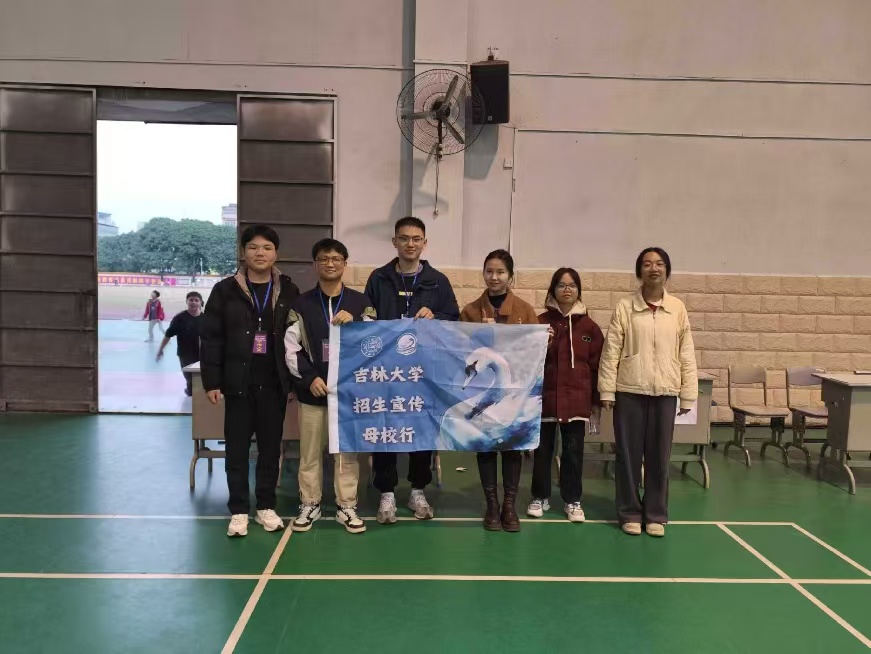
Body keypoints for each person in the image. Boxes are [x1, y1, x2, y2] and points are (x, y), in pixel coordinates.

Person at [200, 225, 300, 538]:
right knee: (237, 450)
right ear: (243, 252)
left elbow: (299, 339)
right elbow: (211, 338)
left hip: (274, 383)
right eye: (253, 247)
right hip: (238, 383)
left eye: (267, 247)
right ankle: (239, 510)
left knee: (270, 450)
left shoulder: (289, 290)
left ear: (276, 254)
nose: (260, 253)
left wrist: (294, 382)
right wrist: (212, 381)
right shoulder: (225, 290)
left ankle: (266, 506)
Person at [364, 216, 459, 524]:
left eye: (416, 239)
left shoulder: (438, 281)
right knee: (386, 429)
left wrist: (436, 315)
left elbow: (454, 320)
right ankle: (386, 492)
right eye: (404, 238)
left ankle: (418, 489)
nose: (410, 244)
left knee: (422, 430)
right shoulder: (379, 278)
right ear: (394, 242)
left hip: (423, 372)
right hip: (387, 372)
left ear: (424, 243)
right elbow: (366, 320)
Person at [598, 247, 697, 538]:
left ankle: (655, 514)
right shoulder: (625, 307)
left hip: (665, 392)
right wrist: (607, 390)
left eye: (659, 264)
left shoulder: (677, 308)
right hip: (629, 390)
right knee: (627, 456)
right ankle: (629, 512)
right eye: (647, 264)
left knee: (659, 456)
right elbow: (611, 351)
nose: (654, 269)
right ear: (639, 271)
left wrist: (688, 393)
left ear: (667, 270)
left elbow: (687, 353)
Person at [284, 238, 376, 534]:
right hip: (313, 394)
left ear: (345, 264)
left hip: (348, 396)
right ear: (315, 265)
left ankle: (346, 505)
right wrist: (309, 378)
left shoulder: (361, 303)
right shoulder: (301, 304)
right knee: (310, 453)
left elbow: (373, 346)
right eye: (324, 258)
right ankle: (309, 503)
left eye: (336, 258)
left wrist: (357, 323)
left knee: (346, 454)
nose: (330, 263)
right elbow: (291, 348)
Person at [459, 249, 538, 532]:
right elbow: (460, 349)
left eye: (501, 272)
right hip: (484, 390)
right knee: (486, 446)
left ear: (510, 276)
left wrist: (545, 338)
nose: (494, 277)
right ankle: (492, 505)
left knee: (512, 447)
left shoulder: (525, 311)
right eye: (489, 271)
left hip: (516, 389)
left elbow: (533, 351)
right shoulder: (469, 311)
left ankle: (509, 505)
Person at [527, 268, 604, 523]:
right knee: (542, 452)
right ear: (553, 290)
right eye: (561, 285)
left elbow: (597, 367)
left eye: (572, 285)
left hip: (577, 402)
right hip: (545, 400)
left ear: (579, 290)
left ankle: (573, 500)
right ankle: (539, 496)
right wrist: (541, 344)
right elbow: (526, 362)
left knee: (573, 453)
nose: (567, 289)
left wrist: (595, 401)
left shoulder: (590, 327)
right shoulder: (539, 323)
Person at [156, 291, 203, 396]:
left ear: (200, 303)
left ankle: (194, 392)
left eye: (196, 300)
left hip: (202, 354)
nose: (193, 302)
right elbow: (168, 335)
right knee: (190, 377)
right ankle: (190, 390)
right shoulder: (179, 318)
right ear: (187, 302)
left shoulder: (206, 318)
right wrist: (160, 350)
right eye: (191, 300)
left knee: (201, 377)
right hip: (185, 353)